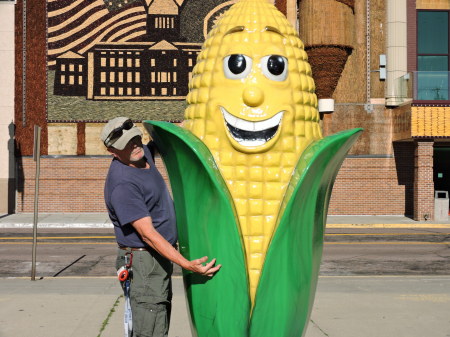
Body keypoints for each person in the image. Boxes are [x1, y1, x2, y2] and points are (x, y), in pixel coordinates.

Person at [101, 117, 221, 337]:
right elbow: (148, 235)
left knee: (159, 318)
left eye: (135, 139)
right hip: (144, 261)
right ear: (112, 151)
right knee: (151, 328)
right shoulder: (123, 185)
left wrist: (191, 121)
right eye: (126, 145)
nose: (134, 146)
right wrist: (187, 265)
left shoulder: (141, 154)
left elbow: (159, 142)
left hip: (157, 259)